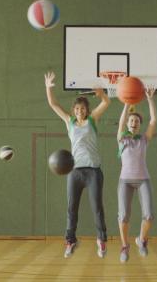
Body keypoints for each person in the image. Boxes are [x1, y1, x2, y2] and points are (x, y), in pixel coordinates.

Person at [44, 71, 110, 258]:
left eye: (82, 109)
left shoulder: (92, 120)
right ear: (74, 111)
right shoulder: (69, 122)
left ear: (86, 110)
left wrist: (101, 94)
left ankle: (101, 240)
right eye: (77, 109)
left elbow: (106, 103)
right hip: (75, 172)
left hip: (93, 172)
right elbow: (53, 104)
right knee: (71, 208)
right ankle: (70, 240)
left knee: (97, 207)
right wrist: (49, 87)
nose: (80, 111)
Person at [116, 86, 156, 263]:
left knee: (149, 215)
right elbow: (121, 122)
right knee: (123, 216)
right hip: (125, 181)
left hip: (143, 180)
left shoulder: (144, 140)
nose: (134, 123)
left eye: (137, 122)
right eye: (131, 121)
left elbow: (154, 120)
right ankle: (125, 247)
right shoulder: (122, 139)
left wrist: (149, 99)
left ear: (139, 126)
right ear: (128, 124)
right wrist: (126, 103)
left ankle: (142, 240)